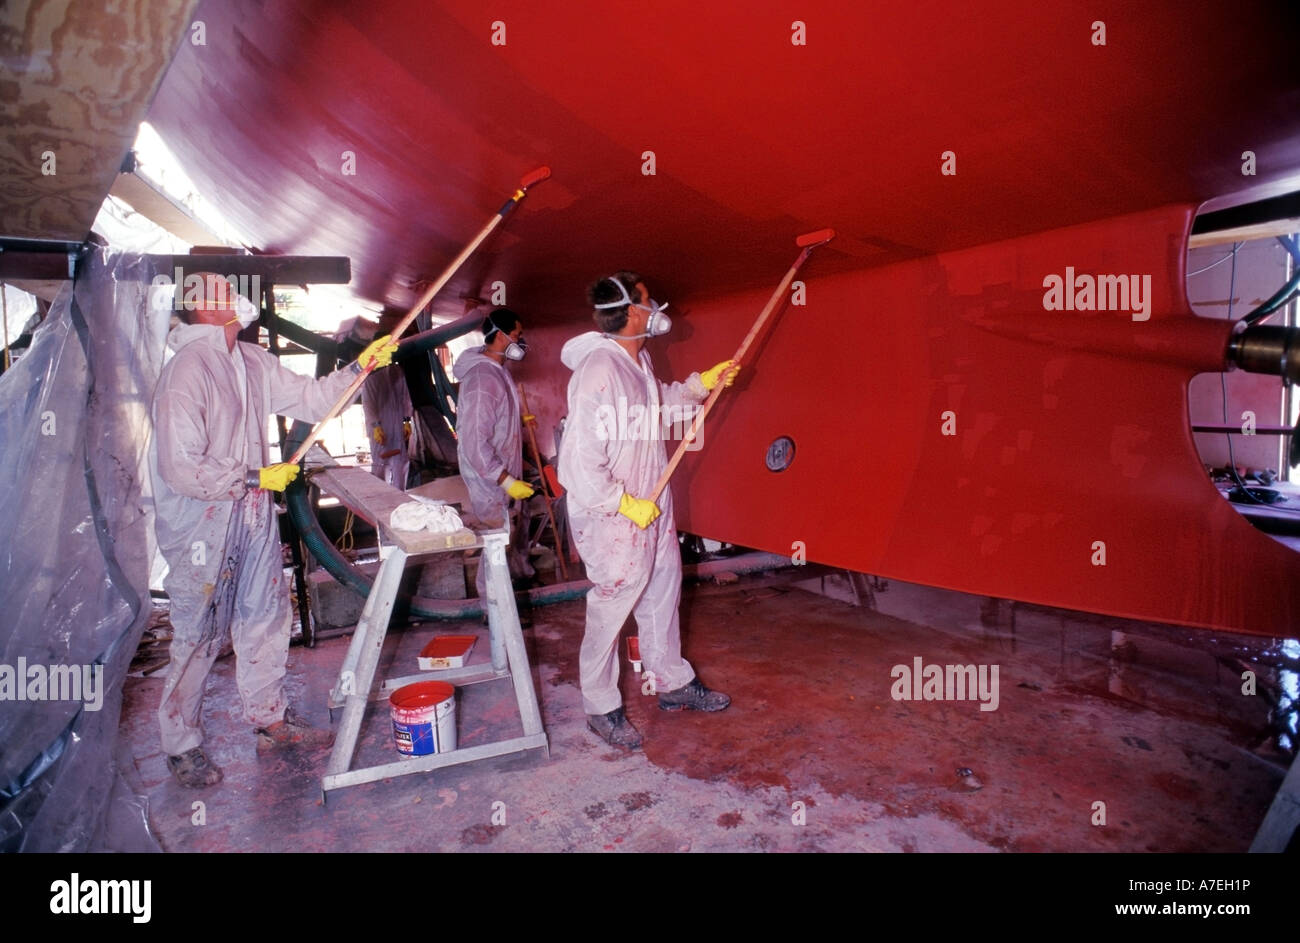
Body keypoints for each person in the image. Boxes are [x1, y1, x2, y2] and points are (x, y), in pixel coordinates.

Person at [150, 273, 397, 788]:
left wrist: (361, 366)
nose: (235, 291)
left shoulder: (250, 360)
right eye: (223, 288)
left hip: (252, 512)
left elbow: (312, 400)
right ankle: (181, 745)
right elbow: (180, 467)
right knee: (200, 633)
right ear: (203, 305)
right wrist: (253, 478)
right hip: (203, 523)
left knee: (264, 614)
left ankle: (270, 720)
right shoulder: (187, 371)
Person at [557, 271, 738, 750]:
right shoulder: (598, 370)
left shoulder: (637, 362)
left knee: (662, 590)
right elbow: (577, 463)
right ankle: (600, 706)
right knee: (612, 603)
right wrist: (621, 504)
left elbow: (658, 407)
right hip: (611, 515)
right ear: (634, 312)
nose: (656, 307)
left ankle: (672, 681)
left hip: (652, 501)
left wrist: (701, 385)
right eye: (647, 300)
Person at [451, 308, 536, 597]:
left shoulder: (496, 371)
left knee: (506, 537)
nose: (520, 342)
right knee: (495, 544)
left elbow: (491, 418)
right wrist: (504, 480)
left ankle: (507, 595)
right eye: (516, 335)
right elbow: (474, 442)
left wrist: (515, 421)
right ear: (500, 336)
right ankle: (492, 607)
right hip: (490, 477)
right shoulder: (482, 378)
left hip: (500, 472)